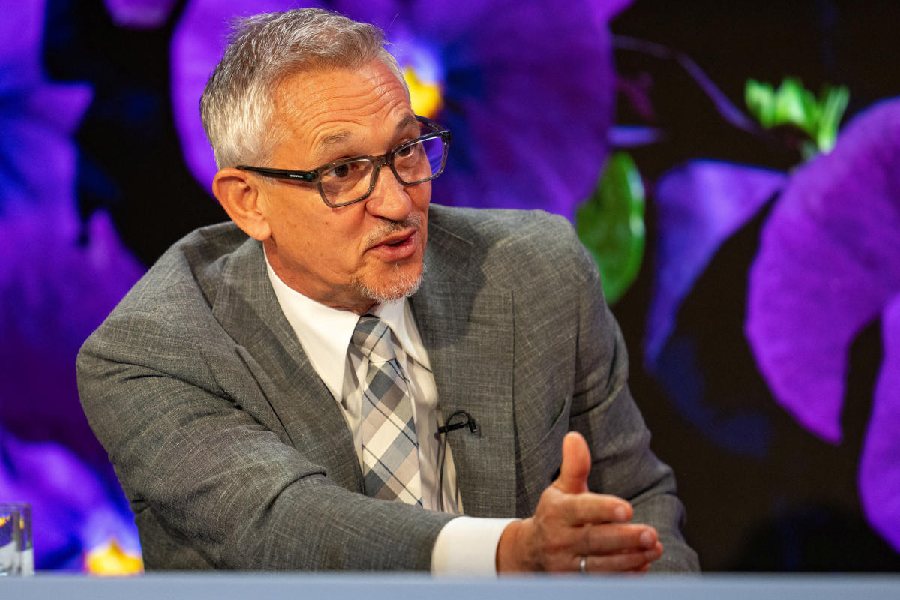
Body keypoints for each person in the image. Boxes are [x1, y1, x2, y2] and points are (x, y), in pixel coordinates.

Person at [77, 8, 699, 574]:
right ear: (248, 202)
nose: (399, 203)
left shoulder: (539, 270)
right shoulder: (147, 355)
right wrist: (508, 553)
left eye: (408, 150)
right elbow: (281, 522)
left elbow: (636, 504)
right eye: (342, 172)